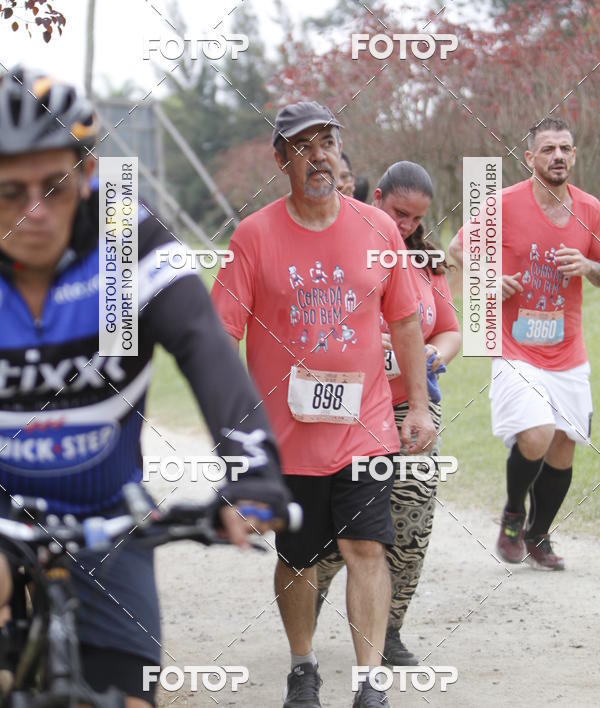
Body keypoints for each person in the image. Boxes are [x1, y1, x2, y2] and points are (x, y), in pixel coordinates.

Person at [0, 68, 291, 707]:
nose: (34, 212)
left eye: (53, 186)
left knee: (130, 699)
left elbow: (203, 344)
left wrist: (253, 467)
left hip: (108, 507)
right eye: (9, 192)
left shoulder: (122, 235)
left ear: (86, 173)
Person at [211, 102, 435, 708]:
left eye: (328, 142)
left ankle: (368, 682)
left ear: (341, 152)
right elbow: (215, 336)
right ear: (281, 159)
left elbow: (407, 321)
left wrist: (417, 405)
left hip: (363, 431)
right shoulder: (253, 236)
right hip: (287, 438)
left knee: (368, 548)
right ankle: (302, 666)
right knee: (300, 557)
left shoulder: (379, 228)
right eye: (303, 146)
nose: (319, 156)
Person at [316, 161, 461, 665]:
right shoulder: (337, 244)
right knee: (345, 527)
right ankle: (307, 597)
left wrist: (429, 356)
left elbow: (448, 328)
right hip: (347, 405)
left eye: (416, 219)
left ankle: (390, 629)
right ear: (375, 196)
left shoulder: (425, 259)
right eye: (399, 213)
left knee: (412, 523)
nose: (406, 226)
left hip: (410, 406)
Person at [448, 118, 600, 569]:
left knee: (564, 445)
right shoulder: (502, 204)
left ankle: (538, 535)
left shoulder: (589, 209)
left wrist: (589, 265)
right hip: (515, 347)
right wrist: (490, 280)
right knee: (536, 434)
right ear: (529, 158)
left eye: (565, 149)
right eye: (548, 148)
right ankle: (514, 513)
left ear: (574, 157)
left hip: (568, 349)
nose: (557, 156)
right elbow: (457, 252)